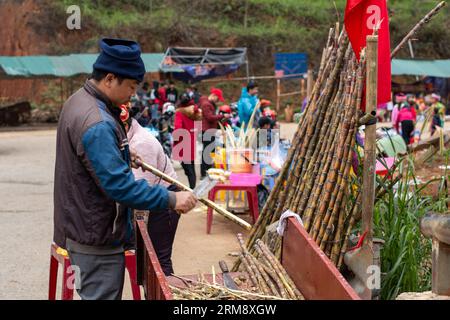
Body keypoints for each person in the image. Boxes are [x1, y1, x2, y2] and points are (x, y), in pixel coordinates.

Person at [53, 38, 197, 300]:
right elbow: (121, 188)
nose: (134, 94)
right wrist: (172, 198)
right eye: (130, 86)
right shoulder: (96, 123)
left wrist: (120, 153)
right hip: (95, 237)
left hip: (80, 227)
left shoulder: (79, 100)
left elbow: (86, 158)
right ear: (110, 79)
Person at [121, 106, 180, 276]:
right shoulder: (126, 139)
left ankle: (166, 293)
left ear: (124, 125)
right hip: (153, 197)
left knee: (159, 260)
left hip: (164, 200)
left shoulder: (140, 143)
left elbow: (139, 191)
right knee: (149, 261)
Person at [199, 87, 230, 178]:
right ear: (214, 96)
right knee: (207, 152)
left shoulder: (208, 104)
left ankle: (208, 172)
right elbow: (210, 117)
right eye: (218, 98)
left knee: (210, 152)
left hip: (210, 130)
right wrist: (222, 115)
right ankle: (204, 173)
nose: (218, 101)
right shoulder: (206, 104)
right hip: (207, 131)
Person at [173, 93, 202, 188]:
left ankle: (192, 192)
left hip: (182, 144)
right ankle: (193, 190)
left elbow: (178, 129)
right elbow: (198, 129)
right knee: (191, 169)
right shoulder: (195, 112)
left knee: (188, 170)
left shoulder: (179, 113)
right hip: (191, 143)